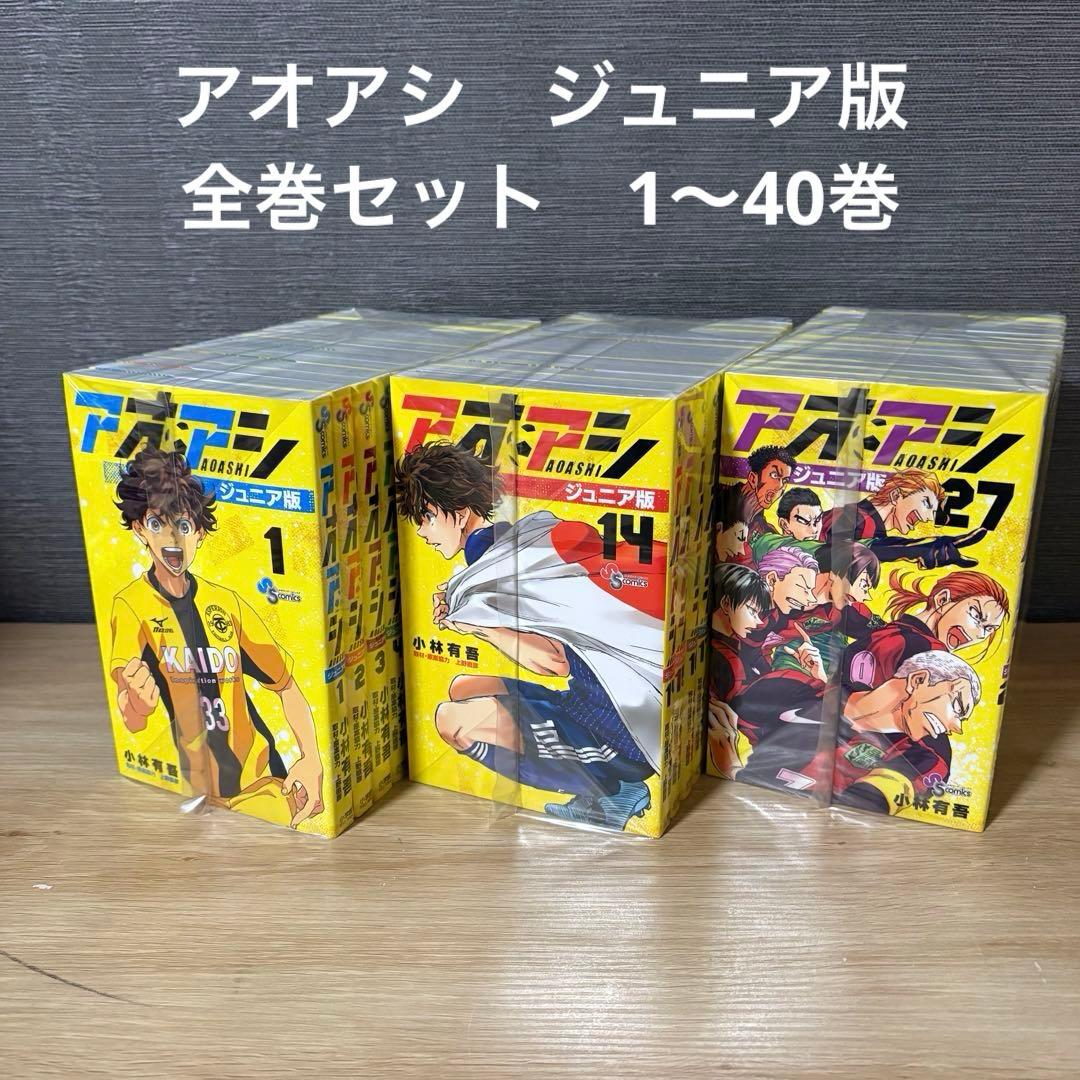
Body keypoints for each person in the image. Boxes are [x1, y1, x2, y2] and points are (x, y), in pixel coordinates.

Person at [395, 440, 664, 831]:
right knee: (462, 687)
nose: (421, 531)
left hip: (620, 732)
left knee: (451, 720)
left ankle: (611, 789)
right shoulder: (508, 544)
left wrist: (480, 626)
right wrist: (467, 604)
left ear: (461, 512)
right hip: (592, 701)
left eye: (427, 516)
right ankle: (606, 784)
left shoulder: (502, 563)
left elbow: (554, 661)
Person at [109, 448, 323, 828]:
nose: (172, 539)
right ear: (140, 528)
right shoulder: (130, 605)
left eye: (183, 525)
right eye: (157, 523)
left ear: (200, 532)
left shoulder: (227, 604)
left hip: (262, 784)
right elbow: (130, 715)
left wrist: (312, 759)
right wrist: (137, 705)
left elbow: (286, 685)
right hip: (193, 793)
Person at [713, 649, 981, 813]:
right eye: (957, 705)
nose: (956, 726)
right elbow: (724, 720)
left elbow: (864, 806)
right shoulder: (794, 686)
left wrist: (733, 769)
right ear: (918, 680)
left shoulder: (924, 759)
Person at [845, 569, 1009, 688]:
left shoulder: (888, 629)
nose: (979, 633)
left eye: (989, 629)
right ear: (942, 599)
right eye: (976, 615)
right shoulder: (931, 652)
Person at [821, 468, 986, 568]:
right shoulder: (854, 516)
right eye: (926, 503)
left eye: (932, 512)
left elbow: (873, 548)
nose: (928, 517)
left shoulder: (874, 531)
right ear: (895, 495)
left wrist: (921, 549)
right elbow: (833, 552)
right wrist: (919, 549)